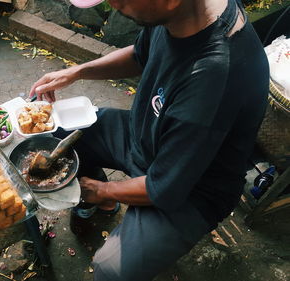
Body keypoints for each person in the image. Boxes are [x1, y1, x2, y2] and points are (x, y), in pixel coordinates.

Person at [29, 0, 269, 280]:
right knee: (61, 136)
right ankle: (101, 204)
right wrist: (76, 71)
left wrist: (102, 189)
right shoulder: (182, 14)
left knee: (111, 268)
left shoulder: (213, 77)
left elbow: (163, 188)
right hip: (149, 137)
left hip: (194, 190)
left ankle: (98, 197)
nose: (113, 4)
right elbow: (141, 54)